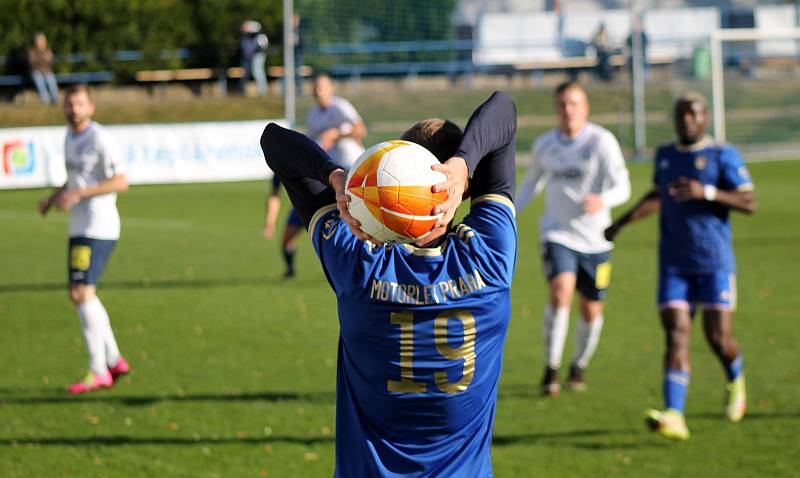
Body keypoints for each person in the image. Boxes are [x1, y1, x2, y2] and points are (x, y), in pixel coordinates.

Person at [261, 91, 517, 476]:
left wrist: (335, 175)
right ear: (462, 190)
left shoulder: (358, 264)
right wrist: (464, 164)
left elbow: (274, 141)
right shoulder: (490, 259)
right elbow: (502, 110)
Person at [605, 92, 755, 440]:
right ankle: (674, 414)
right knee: (676, 333)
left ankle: (736, 379)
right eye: (681, 113)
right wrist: (621, 223)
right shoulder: (666, 155)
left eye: (694, 113)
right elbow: (658, 195)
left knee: (718, 337)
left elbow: (749, 201)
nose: (687, 119)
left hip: (714, 262)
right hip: (673, 264)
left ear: (705, 118)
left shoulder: (723, 154)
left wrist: (709, 193)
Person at [516, 81, 630, 397]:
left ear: (586, 107)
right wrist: (505, 213)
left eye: (574, 103)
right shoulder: (544, 146)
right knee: (560, 292)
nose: (568, 110)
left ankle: (578, 366)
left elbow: (624, 186)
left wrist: (603, 199)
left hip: (596, 240)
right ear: (556, 108)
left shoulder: (601, 142)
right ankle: (551, 368)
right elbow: (529, 187)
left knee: (591, 310)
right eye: (563, 104)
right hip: (557, 234)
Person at [37, 85, 130, 394]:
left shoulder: (100, 138)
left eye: (79, 104)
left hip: (98, 226)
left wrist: (79, 193)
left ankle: (98, 369)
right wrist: (53, 199)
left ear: (90, 107)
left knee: (81, 293)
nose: (73, 109)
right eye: (68, 104)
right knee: (81, 294)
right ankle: (114, 360)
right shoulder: (69, 137)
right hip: (80, 227)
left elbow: (121, 181)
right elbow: (76, 180)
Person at [271, 74, 366, 278]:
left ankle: (364, 268)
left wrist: (336, 134)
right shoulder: (313, 115)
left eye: (321, 86)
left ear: (331, 89)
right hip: (326, 178)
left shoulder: (341, 107)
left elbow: (360, 130)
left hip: (351, 175)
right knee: (289, 233)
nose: (317, 90)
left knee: (359, 229)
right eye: (315, 87)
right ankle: (290, 269)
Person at [27, 32, 59, 105]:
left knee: (51, 80)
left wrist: (45, 58)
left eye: (43, 41)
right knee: (39, 80)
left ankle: (55, 99)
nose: (42, 43)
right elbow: (32, 64)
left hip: (46, 72)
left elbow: (50, 62)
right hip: (36, 72)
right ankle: (45, 100)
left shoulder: (47, 51)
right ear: (36, 42)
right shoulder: (31, 52)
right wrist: (43, 58)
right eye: (40, 41)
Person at [238, 20, 268, 96]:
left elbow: (262, 48)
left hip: (259, 57)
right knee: (257, 72)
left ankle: (262, 91)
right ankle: (262, 90)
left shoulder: (260, 36)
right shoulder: (251, 36)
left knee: (258, 72)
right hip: (255, 57)